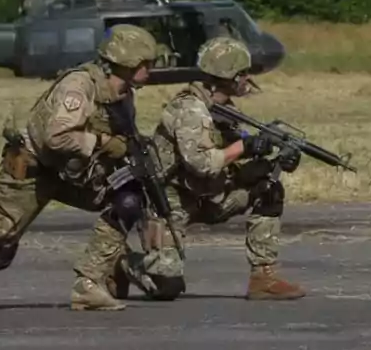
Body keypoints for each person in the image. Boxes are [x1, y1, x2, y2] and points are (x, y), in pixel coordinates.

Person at [0, 23, 160, 312]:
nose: (150, 69)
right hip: (32, 168)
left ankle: (90, 282)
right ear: (126, 61)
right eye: (145, 63)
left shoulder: (123, 96)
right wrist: (102, 142)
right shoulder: (79, 86)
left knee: (127, 199)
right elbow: (56, 136)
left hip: (72, 174)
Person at [114, 36, 306, 302]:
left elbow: (231, 163)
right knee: (166, 285)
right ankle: (122, 265)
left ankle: (264, 277)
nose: (247, 79)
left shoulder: (222, 109)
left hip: (209, 196)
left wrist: (274, 162)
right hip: (172, 202)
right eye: (243, 73)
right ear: (231, 76)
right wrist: (246, 146)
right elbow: (203, 164)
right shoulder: (191, 110)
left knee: (267, 187)